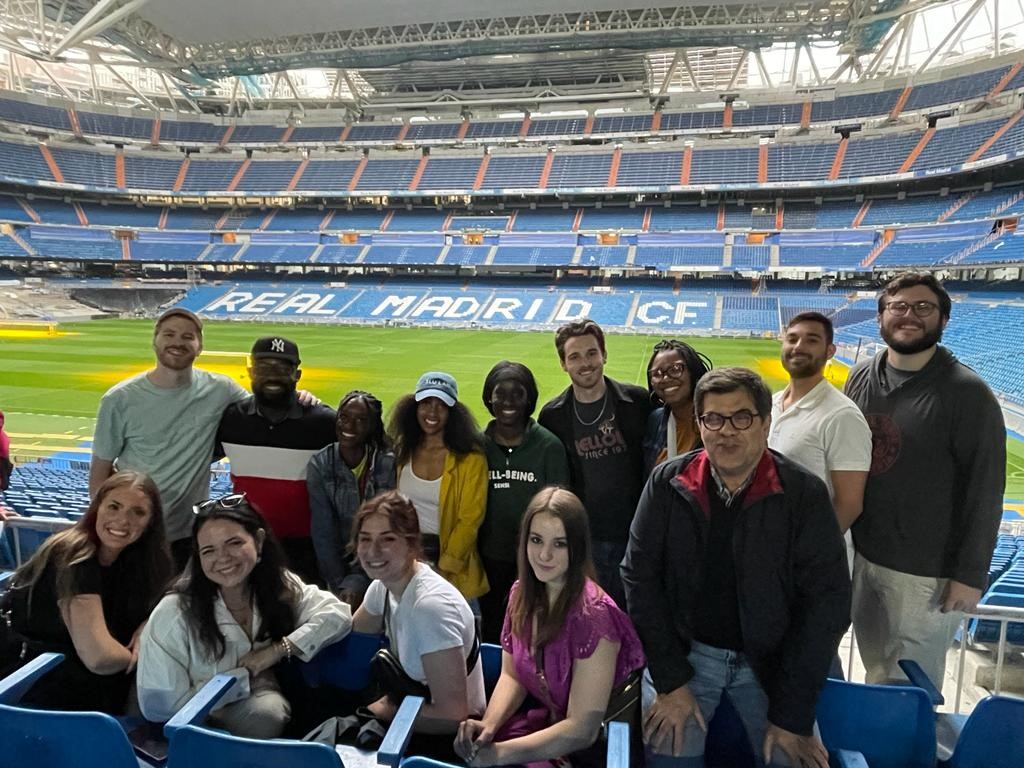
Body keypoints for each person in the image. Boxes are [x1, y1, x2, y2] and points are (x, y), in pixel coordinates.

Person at [622, 367, 851, 768]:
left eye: (741, 417)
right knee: (670, 756)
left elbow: (827, 603)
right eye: (714, 418)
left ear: (765, 424)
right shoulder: (666, 483)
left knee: (791, 758)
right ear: (700, 424)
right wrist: (672, 682)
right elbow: (639, 579)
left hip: (773, 663)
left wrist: (791, 714)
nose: (726, 430)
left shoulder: (803, 494)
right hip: (686, 657)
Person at [844, 272, 1006, 686]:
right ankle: (876, 749)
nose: (908, 316)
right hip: (863, 556)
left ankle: (905, 752)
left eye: (923, 307)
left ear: (943, 319)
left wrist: (970, 575)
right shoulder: (861, 375)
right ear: (880, 317)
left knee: (908, 687)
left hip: (923, 574)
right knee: (875, 670)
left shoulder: (967, 393)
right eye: (898, 307)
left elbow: (985, 490)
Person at [455, 487, 645, 768]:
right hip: (544, 727)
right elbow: (513, 675)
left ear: (577, 547)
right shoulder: (521, 594)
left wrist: (497, 754)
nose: (544, 555)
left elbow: (583, 731)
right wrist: (488, 728)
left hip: (589, 749)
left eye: (560, 544)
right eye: (536, 540)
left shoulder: (595, 616)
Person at [136, 495, 351, 738]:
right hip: (185, 723)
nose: (223, 558)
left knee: (270, 712)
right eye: (209, 550)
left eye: (234, 543)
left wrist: (275, 651)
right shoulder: (174, 612)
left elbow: (337, 615)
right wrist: (242, 679)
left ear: (258, 542)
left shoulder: (279, 584)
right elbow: (159, 707)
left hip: (244, 708)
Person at [0, 470, 172, 713]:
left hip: (81, 680)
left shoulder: (140, 561)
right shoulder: (74, 555)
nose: (123, 520)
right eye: (114, 506)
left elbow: (170, 596)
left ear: (151, 522)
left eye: (138, 512)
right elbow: (99, 658)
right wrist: (141, 657)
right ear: (97, 508)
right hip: (34, 681)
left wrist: (147, 626)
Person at [351, 490, 485, 745]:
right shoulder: (383, 586)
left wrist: (382, 709)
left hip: (446, 741)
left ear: (412, 544)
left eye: (387, 539)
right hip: (404, 712)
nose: (373, 551)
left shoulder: (429, 609)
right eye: (365, 539)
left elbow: (453, 717)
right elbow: (350, 641)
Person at [538, 319, 651, 608]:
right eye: (574, 356)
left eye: (591, 353)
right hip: (587, 541)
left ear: (604, 355)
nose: (585, 363)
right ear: (563, 363)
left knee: (638, 619)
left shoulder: (638, 403)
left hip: (637, 536)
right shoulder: (552, 416)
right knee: (593, 620)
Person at [216, 336, 336, 584]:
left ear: (297, 375)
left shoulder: (323, 422)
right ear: (250, 371)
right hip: (248, 544)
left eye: (283, 368)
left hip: (308, 550)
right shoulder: (230, 420)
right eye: (264, 367)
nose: (273, 375)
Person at [769, 312, 871, 566]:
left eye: (811, 340)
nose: (799, 347)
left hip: (814, 565)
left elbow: (849, 504)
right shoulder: (771, 404)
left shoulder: (842, 416)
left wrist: (806, 555)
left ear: (830, 351)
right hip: (773, 552)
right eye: (792, 339)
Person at [478, 361, 569, 643]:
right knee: (494, 634)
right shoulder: (476, 447)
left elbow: (561, 512)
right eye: (499, 393)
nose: (507, 401)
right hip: (489, 562)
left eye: (517, 393)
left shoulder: (549, 447)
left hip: (536, 564)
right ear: (488, 399)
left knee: (534, 634)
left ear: (529, 399)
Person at [389, 371, 488, 601]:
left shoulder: (470, 458)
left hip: (453, 572)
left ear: (452, 412)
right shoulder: (402, 450)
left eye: (441, 405)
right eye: (425, 403)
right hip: (405, 564)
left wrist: (443, 568)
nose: (432, 412)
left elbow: (470, 519)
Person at [307, 390, 397, 608]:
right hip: (337, 576)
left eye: (360, 420)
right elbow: (323, 533)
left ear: (372, 426)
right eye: (344, 417)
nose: (349, 426)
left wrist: (358, 582)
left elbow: (386, 531)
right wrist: (341, 585)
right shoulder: (320, 464)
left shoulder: (388, 464)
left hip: (382, 570)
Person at [642, 340, 713, 475]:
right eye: (657, 374)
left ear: (693, 372)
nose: (666, 378)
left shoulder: (718, 420)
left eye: (675, 369)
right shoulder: (655, 420)